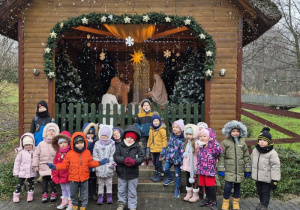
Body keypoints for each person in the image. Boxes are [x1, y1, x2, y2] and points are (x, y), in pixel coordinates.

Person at [47, 132, 104, 210]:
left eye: (81, 142)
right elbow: (64, 165)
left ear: (84, 143)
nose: (80, 144)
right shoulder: (70, 153)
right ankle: (74, 205)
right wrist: (55, 167)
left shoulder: (87, 152)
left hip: (84, 177)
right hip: (73, 178)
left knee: (84, 193)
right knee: (73, 193)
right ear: (73, 144)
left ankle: (83, 206)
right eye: (77, 143)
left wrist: (99, 162)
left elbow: (90, 163)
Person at [218, 120, 251, 210]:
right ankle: (225, 201)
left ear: (241, 132)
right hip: (229, 169)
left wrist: (247, 169)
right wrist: (221, 168)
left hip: (239, 170)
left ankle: (236, 201)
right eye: (233, 131)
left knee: (237, 186)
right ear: (229, 132)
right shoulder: (225, 143)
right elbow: (221, 156)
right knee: (228, 186)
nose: (235, 133)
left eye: (237, 131)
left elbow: (246, 157)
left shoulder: (242, 143)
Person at [113, 125, 144, 210]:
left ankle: (132, 206)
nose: (129, 139)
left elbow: (141, 158)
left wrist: (134, 161)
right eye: (128, 137)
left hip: (133, 173)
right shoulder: (120, 146)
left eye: (131, 138)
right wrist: (123, 160)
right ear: (125, 137)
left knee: (132, 191)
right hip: (121, 172)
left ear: (134, 139)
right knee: (121, 190)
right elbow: (115, 157)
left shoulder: (138, 147)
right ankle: (121, 203)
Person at [251, 127, 281, 210]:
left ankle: (265, 206)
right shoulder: (255, 150)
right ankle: (261, 202)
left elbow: (275, 166)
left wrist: (275, 179)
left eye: (264, 140)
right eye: (260, 140)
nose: (262, 142)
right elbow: (252, 161)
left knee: (265, 192)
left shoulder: (272, 153)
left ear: (269, 142)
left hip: (267, 178)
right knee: (259, 191)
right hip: (258, 177)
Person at [33, 122, 59, 203]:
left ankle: (53, 193)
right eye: (49, 131)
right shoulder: (41, 144)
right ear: (46, 133)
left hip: (53, 166)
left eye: (53, 131)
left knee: (53, 180)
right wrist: (35, 165)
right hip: (43, 165)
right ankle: (44, 194)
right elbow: (36, 155)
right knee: (44, 180)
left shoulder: (57, 144)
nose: (51, 132)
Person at [198, 128, 222, 210]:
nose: (202, 137)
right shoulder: (201, 145)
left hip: (210, 170)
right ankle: (208, 199)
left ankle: (214, 201)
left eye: (204, 136)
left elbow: (219, 151)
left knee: (211, 186)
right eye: (200, 136)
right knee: (205, 185)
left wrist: (213, 141)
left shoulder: (213, 145)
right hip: (202, 169)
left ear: (210, 137)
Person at [161, 119, 185, 198]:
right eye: (173, 127)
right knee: (166, 168)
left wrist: (182, 161)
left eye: (177, 127)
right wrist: (165, 154)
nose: (174, 129)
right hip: (170, 157)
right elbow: (169, 146)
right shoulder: (172, 136)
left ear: (181, 129)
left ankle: (177, 189)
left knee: (177, 175)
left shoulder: (182, 139)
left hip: (177, 160)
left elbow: (182, 151)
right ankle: (170, 178)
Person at [93, 124, 116, 205]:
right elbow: (95, 155)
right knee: (100, 183)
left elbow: (113, 154)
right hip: (100, 166)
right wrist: (98, 163)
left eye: (106, 136)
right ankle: (100, 195)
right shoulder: (97, 144)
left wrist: (110, 162)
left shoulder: (112, 144)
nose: (104, 137)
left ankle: (109, 195)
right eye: (102, 135)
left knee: (109, 182)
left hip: (108, 167)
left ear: (109, 136)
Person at [13, 133, 37, 203]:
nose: (28, 146)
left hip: (31, 171)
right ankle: (16, 195)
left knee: (31, 184)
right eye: (26, 145)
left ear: (32, 144)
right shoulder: (21, 153)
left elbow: (36, 160)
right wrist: (16, 172)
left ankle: (30, 195)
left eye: (29, 144)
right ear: (23, 145)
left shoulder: (34, 152)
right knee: (20, 184)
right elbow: (17, 163)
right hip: (22, 171)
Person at [51, 131, 72, 210]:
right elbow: (55, 164)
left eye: (64, 142)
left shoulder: (70, 152)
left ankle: (71, 203)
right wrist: (55, 174)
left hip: (68, 174)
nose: (63, 144)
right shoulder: (58, 153)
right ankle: (64, 202)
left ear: (68, 142)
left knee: (69, 189)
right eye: (61, 143)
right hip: (60, 175)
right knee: (63, 188)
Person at [181, 124, 202, 203]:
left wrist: (198, 164)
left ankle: (195, 194)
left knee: (195, 179)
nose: (188, 136)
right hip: (187, 163)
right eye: (187, 134)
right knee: (187, 178)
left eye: (190, 134)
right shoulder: (187, 142)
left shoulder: (197, 143)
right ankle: (189, 193)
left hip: (194, 163)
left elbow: (199, 154)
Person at [146, 114, 167, 182]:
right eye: (154, 121)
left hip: (160, 150)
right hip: (153, 149)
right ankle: (156, 173)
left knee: (159, 163)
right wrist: (148, 147)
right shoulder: (151, 130)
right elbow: (149, 139)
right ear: (152, 122)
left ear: (160, 122)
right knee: (154, 162)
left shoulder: (162, 130)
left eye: (157, 121)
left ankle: (160, 175)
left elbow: (164, 139)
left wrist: (164, 148)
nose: (156, 122)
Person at [82, 122, 99, 201]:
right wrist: (89, 143)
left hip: (92, 163)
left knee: (93, 178)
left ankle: (93, 193)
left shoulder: (96, 142)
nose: (90, 136)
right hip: (85, 163)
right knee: (85, 179)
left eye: (92, 134)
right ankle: (85, 194)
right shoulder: (82, 142)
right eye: (88, 134)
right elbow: (85, 150)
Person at [134, 99, 153, 165]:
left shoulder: (152, 115)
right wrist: (140, 128)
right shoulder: (139, 115)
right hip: (143, 134)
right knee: (144, 146)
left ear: (150, 106)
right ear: (142, 107)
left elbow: (155, 122)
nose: (146, 106)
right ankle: (144, 159)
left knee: (150, 146)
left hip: (151, 134)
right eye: (144, 105)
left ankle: (150, 159)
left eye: (147, 105)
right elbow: (136, 123)